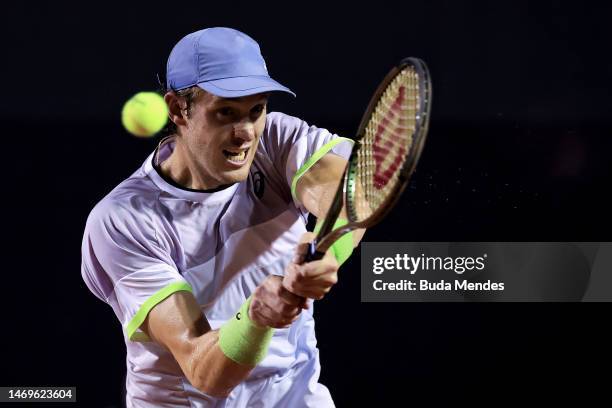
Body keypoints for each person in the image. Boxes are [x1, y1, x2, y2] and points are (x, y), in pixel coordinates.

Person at [81, 27, 363, 407]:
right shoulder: (123, 220)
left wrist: (327, 251)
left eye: (256, 110)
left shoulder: (277, 143)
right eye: (225, 112)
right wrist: (258, 316)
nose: (245, 132)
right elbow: (204, 371)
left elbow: (348, 195)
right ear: (178, 109)